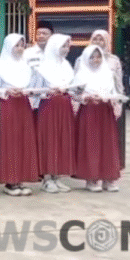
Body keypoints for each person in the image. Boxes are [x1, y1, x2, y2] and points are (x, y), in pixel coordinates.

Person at [0, 34, 40, 196]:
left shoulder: (26, 66)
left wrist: (25, 91)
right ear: (9, 47)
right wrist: (7, 90)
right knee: (10, 141)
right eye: (17, 45)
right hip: (8, 105)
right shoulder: (0, 67)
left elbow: (33, 87)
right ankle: (10, 182)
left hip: (24, 105)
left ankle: (20, 179)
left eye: (22, 45)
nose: (20, 49)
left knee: (23, 141)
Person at [73, 46, 121, 192]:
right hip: (89, 111)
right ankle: (91, 179)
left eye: (98, 56)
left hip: (105, 111)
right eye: (92, 57)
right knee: (91, 143)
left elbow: (114, 92)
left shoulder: (107, 73)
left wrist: (111, 100)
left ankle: (109, 177)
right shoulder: (81, 75)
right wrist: (86, 97)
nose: (96, 60)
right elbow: (75, 94)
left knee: (107, 143)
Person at [33, 34, 76, 194]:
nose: (66, 50)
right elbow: (35, 91)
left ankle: (57, 176)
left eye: (67, 46)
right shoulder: (42, 67)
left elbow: (73, 86)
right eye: (63, 46)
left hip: (65, 107)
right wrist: (49, 91)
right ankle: (47, 178)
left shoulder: (67, 66)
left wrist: (69, 90)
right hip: (49, 107)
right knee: (49, 140)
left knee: (62, 140)